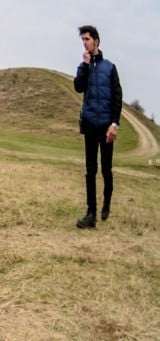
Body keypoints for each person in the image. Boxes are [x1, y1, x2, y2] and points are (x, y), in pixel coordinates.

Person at [73, 25, 122, 229]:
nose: (84, 43)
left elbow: (118, 97)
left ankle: (107, 202)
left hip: (106, 127)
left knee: (106, 169)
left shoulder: (110, 67)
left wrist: (114, 124)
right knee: (90, 169)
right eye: (82, 40)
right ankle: (91, 213)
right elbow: (78, 87)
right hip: (90, 124)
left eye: (87, 39)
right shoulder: (83, 66)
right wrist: (84, 66)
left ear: (96, 41)